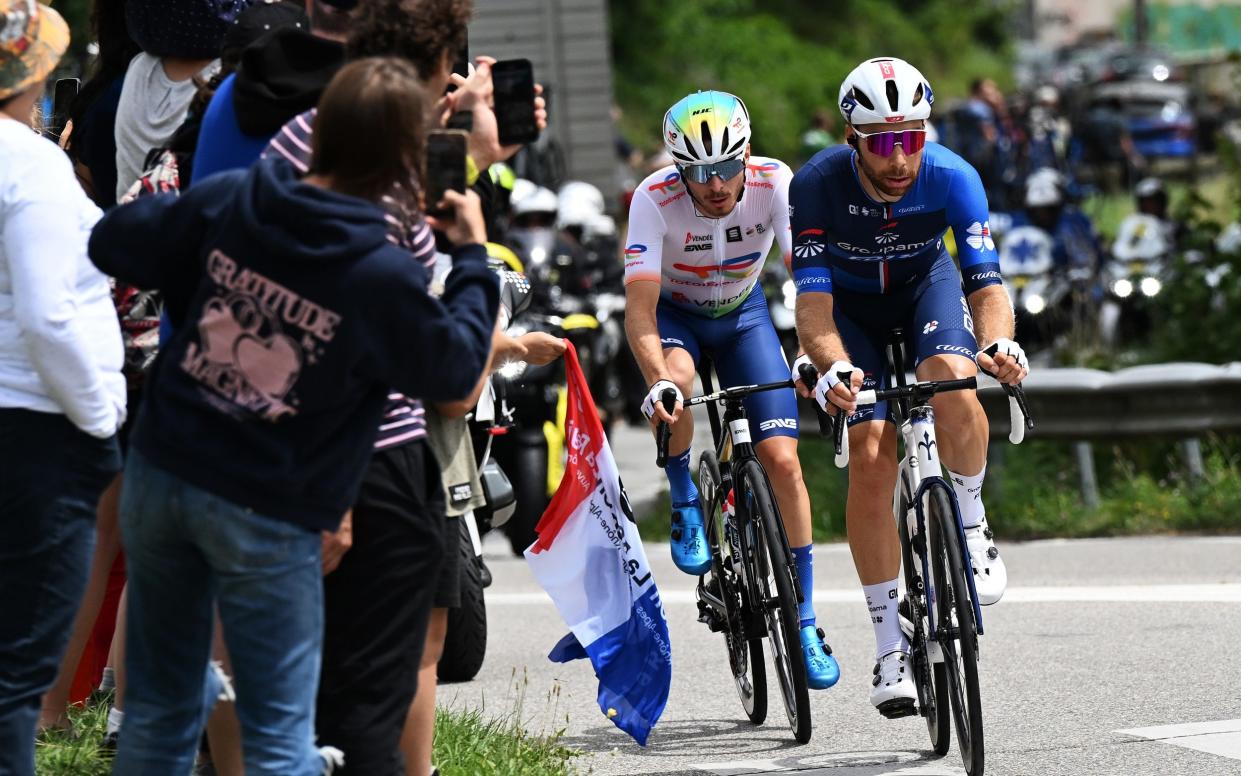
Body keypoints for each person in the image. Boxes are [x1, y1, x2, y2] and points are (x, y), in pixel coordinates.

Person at [90, 56, 499, 774]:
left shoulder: (232, 200)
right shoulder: (378, 270)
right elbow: (456, 374)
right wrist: (468, 258)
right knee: (281, 736)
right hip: (263, 499)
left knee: (158, 712)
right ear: (405, 160)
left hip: (163, 473)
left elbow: (112, 242)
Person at [789, 57, 1028, 717]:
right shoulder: (814, 186)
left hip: (927, 291)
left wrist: (999, 343)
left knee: (953, 384)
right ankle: (889, 645)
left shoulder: (953, 176)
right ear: (851, 141)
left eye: (912, 139)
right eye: (882, 143)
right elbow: (810, 306)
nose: (899, 160)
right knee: (869, 453)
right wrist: (832, 364)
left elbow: (984, 282)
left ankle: (972, 524)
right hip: (850, 314)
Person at [624, 89, 841, 690]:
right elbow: (638, 310)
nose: (716, 184)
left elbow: (810, 279)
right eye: (699, 171)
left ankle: (804, 621)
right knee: (683, 382)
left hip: (745, 316)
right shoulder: (654, 197)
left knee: (783, 462)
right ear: (678, 167)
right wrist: (660, 380)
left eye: (726, 168)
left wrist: (813, 354)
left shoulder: (775, 182)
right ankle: (684, 499)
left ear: (746, 155)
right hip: (677, 319)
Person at [0, 3, 127, 773]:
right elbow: (50, 317)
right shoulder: (32, 165)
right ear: (36, 72)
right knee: (16, 669)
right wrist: (100, 413)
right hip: (41, 429)